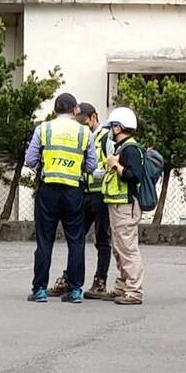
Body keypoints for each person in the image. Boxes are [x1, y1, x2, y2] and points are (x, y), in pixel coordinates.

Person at [23, 92, 97, 303]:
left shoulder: (43, 129)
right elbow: (92, 166)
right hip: (74, 191)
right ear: (75, 110)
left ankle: (39, 290)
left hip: (48, 190)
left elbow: (30, 160)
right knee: (76, 241)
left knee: (45, 241)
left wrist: (46, 165)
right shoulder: (85, 133)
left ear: (55, 110)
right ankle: (74, 290)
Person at [49, 102, 114, 300]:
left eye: (85, 121)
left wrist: (94, 172)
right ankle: (70, 279)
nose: (83, 125)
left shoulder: (106, 138)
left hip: (101, 196)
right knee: (76, 239)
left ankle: (100, 281)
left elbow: (112, 164)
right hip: (83, 194)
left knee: (102, 240)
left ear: (94, 117)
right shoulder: (80, 135)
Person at [100, 106, 146, 305]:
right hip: (118, 204)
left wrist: (116, 165)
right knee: (119, 248)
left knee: (127, 249)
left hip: (125, 205)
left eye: (112, 127)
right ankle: (122, 287)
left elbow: (134, 175)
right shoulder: (123, 148)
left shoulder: (131, 149)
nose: (110, 131)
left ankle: (134, 291)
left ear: (118, 127)